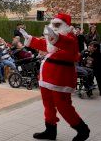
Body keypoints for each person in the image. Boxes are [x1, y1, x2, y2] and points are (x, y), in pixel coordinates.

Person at [20, 13, 90, 141]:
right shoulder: (55, 40)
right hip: (47, 80)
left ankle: (82, 129)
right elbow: (45, 44)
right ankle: (50, 130)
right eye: (53, 24)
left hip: (60, 80)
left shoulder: (71, 38)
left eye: (57, 25)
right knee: (48, 105)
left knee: (64, 106)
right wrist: (30, 39)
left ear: (66, 26)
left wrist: (56, 37)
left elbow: (67, 44)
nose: (54, 27)